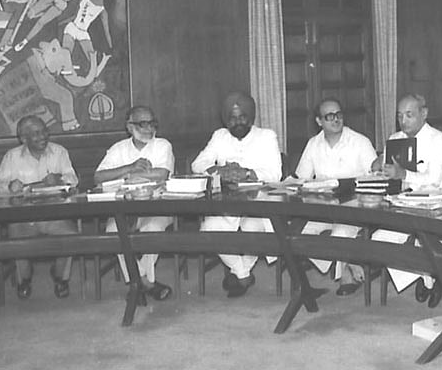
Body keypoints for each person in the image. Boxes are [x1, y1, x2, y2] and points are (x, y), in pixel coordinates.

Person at [191, 91, 282, 298]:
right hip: (226, 203)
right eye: (232, 119)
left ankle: (240, 273)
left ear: (251, 117)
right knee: (210, 228)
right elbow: (198, 164)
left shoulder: (266, 136)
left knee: (253, 229)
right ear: (226, 120)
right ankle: (243, 274)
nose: (238, 122)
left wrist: (246, 173)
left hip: (258, 202)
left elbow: (275, 174)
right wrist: (218, 170)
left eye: (243, 117)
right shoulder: (220, 136)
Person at [370, 94, 442, 308]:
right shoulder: (395, 139)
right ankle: (424, 276)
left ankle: (433, 279)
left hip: (435, 206)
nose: (403, 121)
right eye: (399, 116)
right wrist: (379, 168)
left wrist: (403, 174)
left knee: (424, 243)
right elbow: (386, 173)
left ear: (424, 113)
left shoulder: (438, 140)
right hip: (402, 205)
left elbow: (434, 180)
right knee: (379, 240)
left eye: (409, 115)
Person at [294, 98, 375, 296]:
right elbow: (301, 178)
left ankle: (345, 274)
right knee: (296, 233)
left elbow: (376, 178)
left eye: (338, 114)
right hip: (321, 208)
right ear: (319, 121)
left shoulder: (360, 142)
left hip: (353, 209)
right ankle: (346, 263)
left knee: (340, 233)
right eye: (329, 116)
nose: (336, 119)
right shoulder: (313, 144)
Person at [0, 115, 79, 299]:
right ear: (24, 139)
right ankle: (24, 279)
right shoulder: (12, 156)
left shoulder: (59, 152)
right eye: (36, 133)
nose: (43, 136)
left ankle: (60, 277)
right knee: (16, 236)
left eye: (44, 131)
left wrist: (59, 179)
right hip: (23, 217)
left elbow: (73, 179)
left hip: (55, 215)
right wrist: (10, 186)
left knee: (70, 235)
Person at [94, 106, 174, 301]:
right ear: (130, 127)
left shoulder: (162, 145)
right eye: (143, 124)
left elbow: (162, 174)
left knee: (153, 229)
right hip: (123, 209)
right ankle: (145, 282)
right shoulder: (118, 149)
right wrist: (130, 168)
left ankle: (137, 283)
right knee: (114, 231)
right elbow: (98, 177)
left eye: (152, 124)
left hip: (157, 207)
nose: (149, 129)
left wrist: (125, 176)